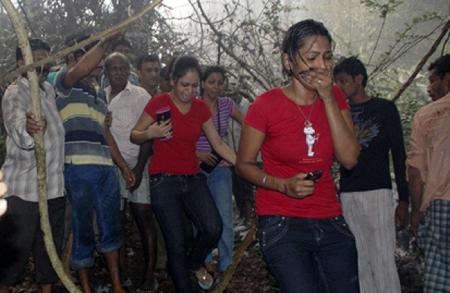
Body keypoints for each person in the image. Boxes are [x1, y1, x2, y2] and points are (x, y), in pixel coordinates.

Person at [235, 19, 360, 292]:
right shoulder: (265, 105)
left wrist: (327, 98)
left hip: (330, 219)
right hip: (282, 221)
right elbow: (243, 165)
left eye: (327, 57)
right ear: (288, 61)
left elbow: (349, 158)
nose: (322, 66)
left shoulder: (336, 97)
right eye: (312, 57)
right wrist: (282, 184)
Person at [131, 56, 236, 292]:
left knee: (213, 227)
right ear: (172, 81)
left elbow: (218, 144)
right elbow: (134, 134)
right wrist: (151, 132)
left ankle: (195, 262)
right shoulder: (158, 103)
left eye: (194, 86)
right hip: (163, 181)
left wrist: (244, 165)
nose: (189, 91)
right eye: (184, 85)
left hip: (192, 178)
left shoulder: (200, 108)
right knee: (176, 243)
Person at [55, 32, 127, 293]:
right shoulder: (65, 82)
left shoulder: (99, 92)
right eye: (91, 55)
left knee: (110, 226)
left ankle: (117, 286)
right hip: (78, 166)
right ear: (74, 57)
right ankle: (84, 288)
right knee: (82, 226)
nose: (97, 62)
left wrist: (122, 165)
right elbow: (82, 67)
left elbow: (104, 132)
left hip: (105, 167)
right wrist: (103, 41)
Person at [333, 56, 409, 293]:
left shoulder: (385, 108)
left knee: (383, 256)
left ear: (359, 79)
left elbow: (398, 153)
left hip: (378, 190)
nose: (339, 87)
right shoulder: (336, 112)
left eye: (343, 81)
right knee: (359, 256)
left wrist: (403, 200)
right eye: (336, 82)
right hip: (348, 191)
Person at [0, 38, 65, 293]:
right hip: (24, 191)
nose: (43, 65)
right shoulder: (16, 91)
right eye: (36, 58)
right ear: (21, 62)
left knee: (47, 259)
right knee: (10, 262)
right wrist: (30, 129)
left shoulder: (48, 92)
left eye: (45, 59)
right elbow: (18, 129)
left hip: (54, 189)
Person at [104, 52, 157, 291]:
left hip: (137, 164)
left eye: (122, 69)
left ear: (129, 72)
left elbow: (148, 134)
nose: (118, 73)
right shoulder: (98, 96)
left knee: (144, 217)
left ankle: (148, 276)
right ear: (106, 72)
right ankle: (122, 275)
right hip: (109, 167)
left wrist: (137, 168)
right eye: (113, 69)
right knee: (115, 222)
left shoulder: (140, 96)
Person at [407, 54, 450, 292]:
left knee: (440, 274)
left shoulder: (427, 115)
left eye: (434, 80)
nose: (429, 88)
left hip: (442, 207)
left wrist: (416, 212)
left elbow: (415, 173)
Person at [196, 66, 243, 274]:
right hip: (195, 169)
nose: (216, 86)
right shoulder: (193, 105)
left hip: (222, 166)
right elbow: (179, 137)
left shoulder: (227, 105)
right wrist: (197, 154)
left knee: (224, 215)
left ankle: (226, 263)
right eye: (211, 82)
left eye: (220, 82)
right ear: (203, 83)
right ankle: (203, 260)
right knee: (200, 217)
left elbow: (249, 124)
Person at [226, 92, 254, 224]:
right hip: (231, 154)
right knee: (236, 186)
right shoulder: (226, 106)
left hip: (246, 153)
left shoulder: (248, 107)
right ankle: (242, 214)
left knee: (246, 186)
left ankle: (249, 215)